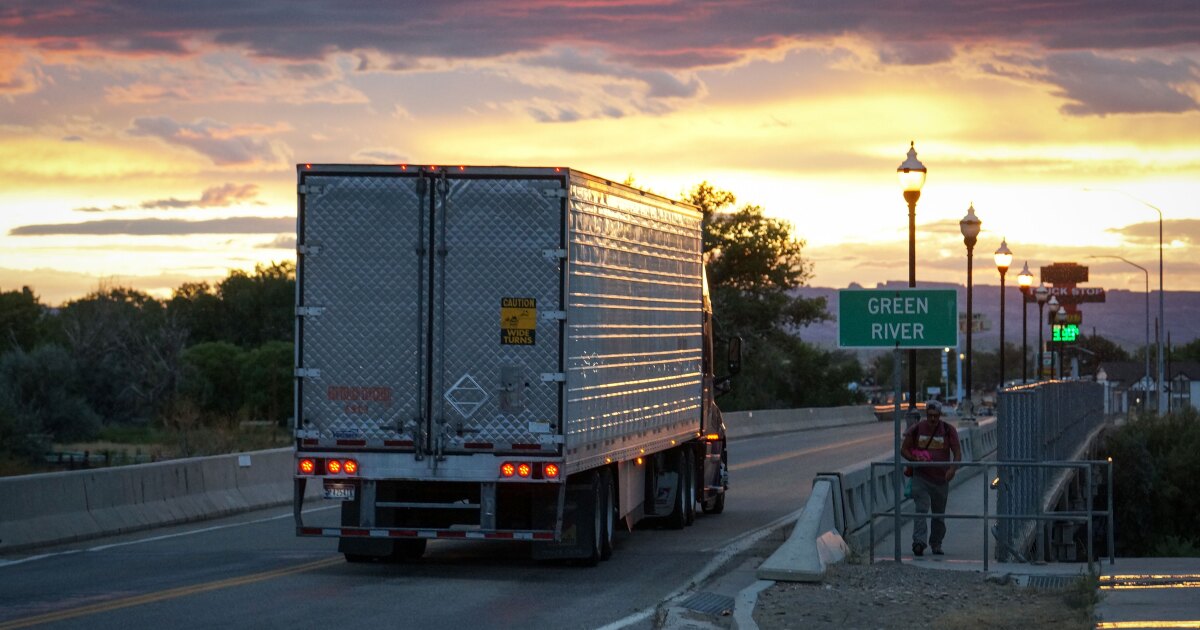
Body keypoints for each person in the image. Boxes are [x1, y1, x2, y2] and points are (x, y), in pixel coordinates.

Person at [901, 400, 962, 556]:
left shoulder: (948, 430)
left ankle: (936, 543)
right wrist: (914, 460)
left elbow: (957, 453)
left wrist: (952, 469)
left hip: (941, 480)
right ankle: (919, 543)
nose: (933, 419)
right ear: (926, 415)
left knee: (938, 515)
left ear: (940, 415)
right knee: (921, 509)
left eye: (935, 416)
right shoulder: (917, 429)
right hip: (921, 477)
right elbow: (904, 450)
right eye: (929, 416)